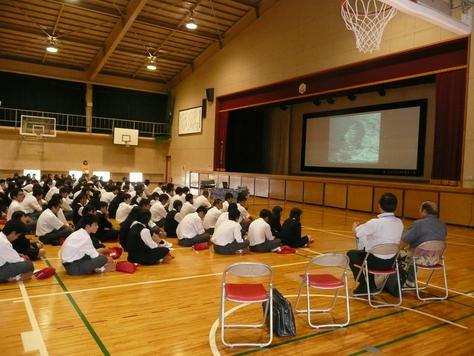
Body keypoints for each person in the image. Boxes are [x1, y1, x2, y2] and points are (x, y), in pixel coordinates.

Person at [347, 193, 404, 294]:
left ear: (379, 206)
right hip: (391, 262)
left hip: (375, 262)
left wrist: (354, 226)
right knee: (369, 253)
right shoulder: (399, 222)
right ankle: (371, 284)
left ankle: (364, 285)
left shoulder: (375, 222)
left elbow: (356, 232)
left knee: (351, 254)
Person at [400, 200, 447, 287]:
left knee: (398, 252)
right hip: (435, 259)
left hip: (419, 258)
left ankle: (399, 279)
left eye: (420, 208)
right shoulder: (442, 224)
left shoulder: (419, 224)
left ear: (424, 211)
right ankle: (410, 280)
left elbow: (403, 242)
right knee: (414, 251)